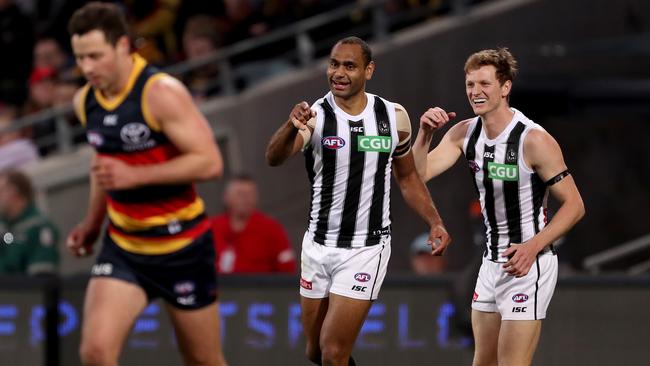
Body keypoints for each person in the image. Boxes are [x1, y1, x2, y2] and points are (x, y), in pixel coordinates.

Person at [266, 36, 451, 366]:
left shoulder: (392, 117)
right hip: (318, 246)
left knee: (333, 351)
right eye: (334, 64)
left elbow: (407, 177)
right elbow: (274, 158)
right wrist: (290, 126)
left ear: (369, 70)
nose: (338, 72)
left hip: (366, 249)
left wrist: (434, 220)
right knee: (315, 351)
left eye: (349, 66)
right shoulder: (316, 115)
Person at [64, 3, 227, 365]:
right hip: (124, 247)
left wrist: (135, 175)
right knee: (94, 353)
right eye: (80, 58)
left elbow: (210, 162)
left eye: (94, 56)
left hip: (182, 247)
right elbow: (101, 163)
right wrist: (92, 224)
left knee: (203, 360)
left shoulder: (160, 92)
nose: (87, 68)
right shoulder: (85, 101)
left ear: (122, 45)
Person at [412, 48, 585, 366]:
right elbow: (419, 173)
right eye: (470, 85)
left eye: (484, 84)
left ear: (505, 87)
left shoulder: (533, 140)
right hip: (490, 264)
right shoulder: (464, 133)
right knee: (483, 362)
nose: (475, 92)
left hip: (529, 265)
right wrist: (424, 134)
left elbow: (575, 205)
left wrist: (533, 247)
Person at [211, 174, 296, 274]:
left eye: (250, 194)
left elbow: (287, 267)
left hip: (261, 287)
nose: (246, 199)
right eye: (240, 194)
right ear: (226, 197)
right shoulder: (211, 227)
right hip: (221, 287)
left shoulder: (271, 227)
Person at [0, 170, 59, 275]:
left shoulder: (38, 227)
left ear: (13, 192)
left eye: (0, 191)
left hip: (21, 289)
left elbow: (41, 275)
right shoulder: (3, 224)